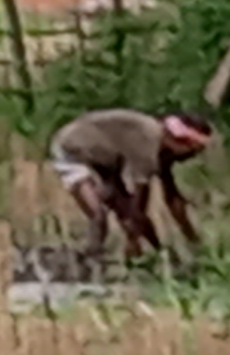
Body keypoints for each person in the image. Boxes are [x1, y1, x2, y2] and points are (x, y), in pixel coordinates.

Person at [49, 106, 215, 265]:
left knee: (125, 211)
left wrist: (194, 242)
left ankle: (148, 258)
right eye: (192, 151)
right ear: (181, 142)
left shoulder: (163, 147)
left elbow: (172, 200)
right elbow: (138, 210)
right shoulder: (147, 147)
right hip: (73, 148)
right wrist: (136, 241)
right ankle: (89, 263)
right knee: (99, 216)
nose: (192, 157)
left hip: (106, 157)